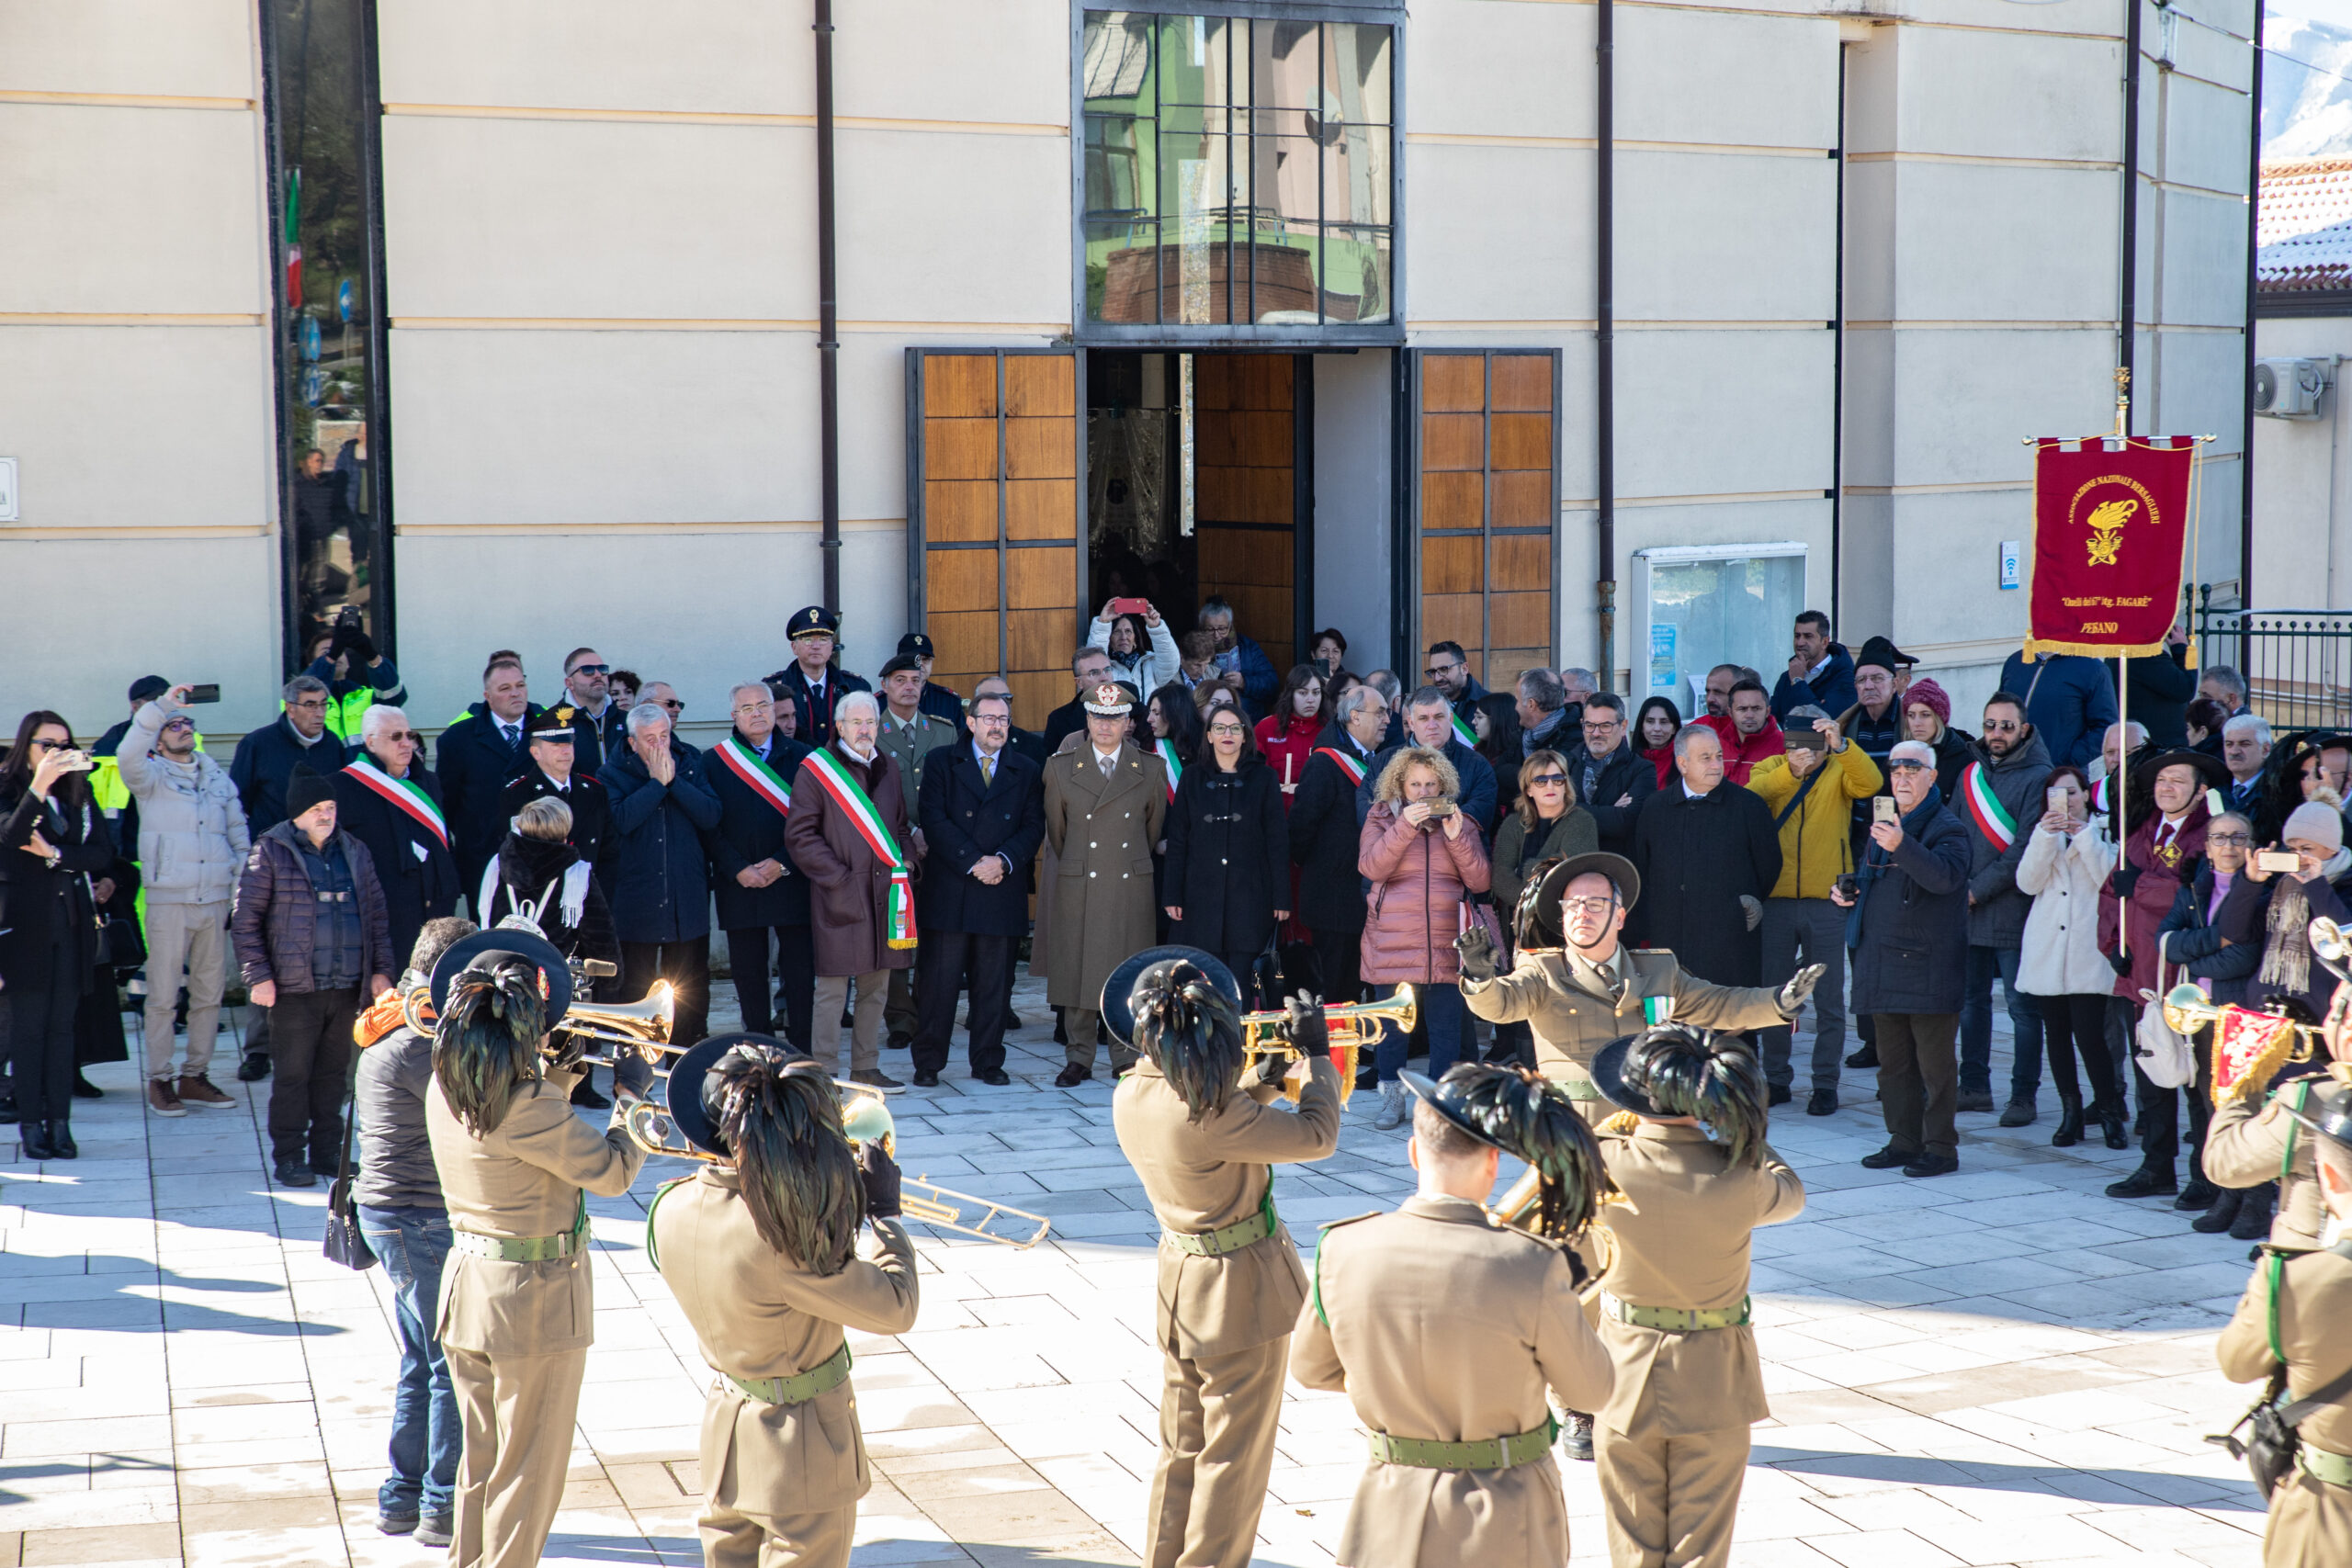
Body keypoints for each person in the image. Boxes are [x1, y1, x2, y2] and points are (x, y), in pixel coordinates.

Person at [1292, 1063, 1616, 1568]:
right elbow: (1592, 1392)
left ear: (1414, 1151)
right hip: (1506, 1512)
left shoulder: (1342, 1246)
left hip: (1389, 1504)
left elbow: (1312, 1370)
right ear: (1493, 1162)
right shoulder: (1530, 1263)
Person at [647, 1039, 919, 1568]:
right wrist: (885, 1214)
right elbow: (895, 1307)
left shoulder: (670, 1206)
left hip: (726, 1433)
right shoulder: (783, 1242)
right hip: (801, 1449)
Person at [1109, 956, 1341, 1568]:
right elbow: (1319, 1135)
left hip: (1181, 1286)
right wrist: (1317, 1058)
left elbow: (1218, 1114)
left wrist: (1261, 1078)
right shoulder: (1211, 1117)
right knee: (1233, 1460)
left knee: (1182, 1448)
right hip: (1239, 1294)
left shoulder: (1131, 1092)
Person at [424, 937, 646, 1568]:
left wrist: (558, 1072)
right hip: (532, 1305)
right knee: (527, 1479)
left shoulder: (445, 1086)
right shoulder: (527, 1106)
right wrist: (633, 1099)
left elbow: (522, 1118)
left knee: (482, 1465)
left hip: (470, 1292)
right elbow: (612, 1170)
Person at [1585, 1024, 1805, 1568]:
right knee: (1701, 1550)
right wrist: (1744, 1129)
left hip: (1622, 1368)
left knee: (1632, 1545)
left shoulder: (1599, 1160)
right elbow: (1792, 1191)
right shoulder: (1743, 1175)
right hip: (1713, 1377)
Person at [1457, 852, 1820, 1122]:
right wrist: (1479, 977)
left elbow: (1718, 1003)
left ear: (1619, 916)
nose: (1582, 913)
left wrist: (1778, 1000)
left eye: (1595, 904)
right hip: (1572, 1127)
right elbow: (1500, 1004)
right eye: (1572, 905)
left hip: (1648, 1122)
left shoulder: (1659, 968)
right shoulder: (1541, 971)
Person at [352, 915, 478, 1548]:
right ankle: (439, 1505)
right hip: (418, 1217)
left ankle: (401, 1498)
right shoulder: (418, 1041)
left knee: (419, 1360)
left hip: (393, 1215)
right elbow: (479, 1111)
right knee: (450, 1364)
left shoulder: (394, 1015)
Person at [232, 764, 394, 1188]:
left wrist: (381, 971)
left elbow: (377, 915)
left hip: (346, 989)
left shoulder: (356, 850)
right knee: (292, 1076)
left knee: (334, 1076)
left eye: (331, 807)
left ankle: (326, 1154)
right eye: (317, 808)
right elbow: (245, 920)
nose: (326, 815)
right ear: (297, 813)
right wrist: (258, 976)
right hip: (293, 990)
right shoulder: (270, 851)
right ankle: (289, 1156)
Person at [2213, 1080, 2352, 1568]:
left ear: (2329, 1179)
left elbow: (2237, 1362)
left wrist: (2236, 1089)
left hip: (2331, 1514)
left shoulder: (2297, 1280)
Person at [1833, 739, 1972, 1177]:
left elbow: (1944, 878)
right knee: (1893, 1066)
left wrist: (1901, 845)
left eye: (1913, 770)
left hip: (1928, 963)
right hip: (1882, 958)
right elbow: (1876, 878)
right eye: (1896, 771)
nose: (1903, 778)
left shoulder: (1949, 827)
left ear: (1932, 777)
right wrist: (1849, 889)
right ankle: (1903, 1140)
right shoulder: (1886, 824)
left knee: (1935, 1067)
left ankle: (1941, 1148)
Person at [114, 683, 249, 1115]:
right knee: (163, 994)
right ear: (158, 735)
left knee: (209, 994)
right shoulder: (149, 776)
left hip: (212, 899)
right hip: (169, 899)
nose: (182, 728)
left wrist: (238, 889)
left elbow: (238, 834)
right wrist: (163, 705)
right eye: (173, 725)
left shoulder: (215, 775)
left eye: (186, 722)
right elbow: (126, 754)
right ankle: (159, 1078)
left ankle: (195, 1074)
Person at [2100, 748, 2227, 1199]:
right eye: (2160, 780)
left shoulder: (2209, 837)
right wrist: (2112, 945)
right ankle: (2156, 1166)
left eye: (2177, 780)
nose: (2166, 788)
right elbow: (2112, 892)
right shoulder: (2140, 833)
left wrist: (2143, 887)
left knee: (2196, 1078)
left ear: (2199, 791)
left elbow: (2195, 894)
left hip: (2185, 977)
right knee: (2152, 1070)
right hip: (2141, 974)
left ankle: (2205, 1175)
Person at [1746, 708, 1880, 1115]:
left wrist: (1842, 745)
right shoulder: (1772, 766)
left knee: (1828, 999)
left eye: (1814, 740)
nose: (1805, 750)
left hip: (1826, 899)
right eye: (1797, 741)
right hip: (1777, 899)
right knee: (1775, 997)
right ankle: (1776, 1079)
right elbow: (1755, 796)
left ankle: (1825, 1083)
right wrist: (1792, 771)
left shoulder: (1840, 767)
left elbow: (1871, 783)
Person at [785, 691, 916, 1092]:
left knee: (876, 987)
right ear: (839, 726)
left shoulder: (888, 766)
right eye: (856, 722)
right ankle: (822, 1072)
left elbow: (900, 826)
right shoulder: (816, 770)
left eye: (871, 722)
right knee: (832, 989)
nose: (865, 730)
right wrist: (839, 879)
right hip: (839, 895)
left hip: (886, 896)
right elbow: (800, 836)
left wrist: (908, 861)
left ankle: (866, 1067)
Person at [910, 689, 1042, 1087]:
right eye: (989, 719)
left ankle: (988, 1062)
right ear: (970, 723)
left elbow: (1034, 826)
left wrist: (1001, 861)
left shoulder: (1027, 768)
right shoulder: (941, 762)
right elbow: (933, 819)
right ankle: (928, 1063)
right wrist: (973, 862)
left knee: (993, 987)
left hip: (1001, 888)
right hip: (951, 887)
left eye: (1003, 719)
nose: (997, 726)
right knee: (938, 986)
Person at [1042, 682, 1170, 1085]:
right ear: (1087, 719)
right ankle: (1078, 1057)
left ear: (1128, 722)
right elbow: (1058, 834)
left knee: (1127, 971)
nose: (1105, 725)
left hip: (1129, 880)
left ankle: (1126, 1055)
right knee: (1078, 967)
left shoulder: (1150, 769)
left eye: (1114, 718)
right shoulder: (1061, 767)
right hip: (1081, 878)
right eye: (1098, 716)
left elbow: (1151, 831)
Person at [1360, 746, 1494, 1128]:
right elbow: (1370, 866)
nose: (1423, 791)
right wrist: (1404, 826)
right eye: (1415, 783)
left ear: (1444, 786)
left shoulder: (1459, 821)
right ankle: (1391, 1099)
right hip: (1392, 938)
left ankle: (1439, 1102)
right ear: (1400, 784)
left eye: (1431, 784)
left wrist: (1456, 837)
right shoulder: (1382, 816)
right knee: (1391, 1026)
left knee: (1446, 1027)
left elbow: (1480, 880)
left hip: (1446, 938)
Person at [1, 716, 114, 1161]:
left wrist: (57, 856)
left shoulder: (78, 792)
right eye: (48, 744)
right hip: (23, 931)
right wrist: (39, 786)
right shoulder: (9, 788)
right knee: (29, 1031)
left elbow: (102, 853)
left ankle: (60, 1124)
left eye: (65, 744)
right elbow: (10, 838)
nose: (58, 752)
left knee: (62, 1029)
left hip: (70, 926)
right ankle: (31, 1125)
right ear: (25, 744)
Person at [2154, 807, 2272, 1233]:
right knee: (2213, 1108)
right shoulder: (2193, 889)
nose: (2229, 846)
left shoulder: (2262, 890)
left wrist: (2196, 949)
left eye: (2238, 838)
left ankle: (2257, 1201)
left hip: (2242, 1013)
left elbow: (2243, 956)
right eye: (2220, 838)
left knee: (2248, 1109)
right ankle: (2227, 1196)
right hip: (2202, 1014)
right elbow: (2165, 940)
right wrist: (2211, 942)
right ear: (2206, 848)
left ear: (2251, 844)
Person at [600, 701, 723, 1090]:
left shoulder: (690, 761)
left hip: (685, 895)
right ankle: (634, 1068)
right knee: (636, 986)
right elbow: (620, 821)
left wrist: (674, 782)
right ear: (632, 741)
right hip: (637, 897)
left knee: (689, 983)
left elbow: (711, 814)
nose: (659, 746)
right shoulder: (612, 772)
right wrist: (655, 785)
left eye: (664, 737)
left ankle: (685, 1064)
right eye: (649, 740)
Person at [2018, 767, 2132, 1153]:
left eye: (2071, 793)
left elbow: (2109, 881)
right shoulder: (2043, 834)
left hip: (2086, 947)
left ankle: (2111, 1111)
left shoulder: (2104, 832)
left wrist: (2083, 836)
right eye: (2056, 794)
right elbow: (2027, 883)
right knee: (2057, 1037)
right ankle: (2070, 1112)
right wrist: (2045, 837)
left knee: (2091, 1035)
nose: (2064, 801)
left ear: (2086, 794)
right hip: (2047, 947)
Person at [1953, 692, 2053, 1123]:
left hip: (2014, 910)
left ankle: (2023, 1096)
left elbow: (2025, 848)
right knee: (1970, 1003)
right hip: (1967, 909)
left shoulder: (2040, 777)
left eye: (2006, 726)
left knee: (2021, 1008)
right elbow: (1953, 832)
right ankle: (1973, 1086)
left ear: (2024, 729)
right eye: (1990, 724)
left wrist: (1975, 891)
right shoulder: (1969, 773)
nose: (1996, 733)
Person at [2203, 961, 2346, 1253]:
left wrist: (2245, 1072)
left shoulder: (2309, 1100)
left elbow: (2223, 1163)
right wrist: (2326, 1054)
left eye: (2334, 1012)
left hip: (2319, 1274)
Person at [706, 682, 818, 1051]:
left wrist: (782, 863)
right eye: (746, 708)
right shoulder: (714, 761)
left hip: (792, 878)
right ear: (734, 716)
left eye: (762, 706)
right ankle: (758, 1047)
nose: (756, 713)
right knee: (749, 974)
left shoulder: (806, 758)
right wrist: (737, 867)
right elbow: (709, 826)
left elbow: (816, 822)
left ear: (775, 710)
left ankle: (800, 1050)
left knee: (800, 972)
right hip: (739, 881)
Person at [1631, 726, 1782, 997]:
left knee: (1733, 1025)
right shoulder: (1656, 808)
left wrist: (1741, 904)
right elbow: (1644, 866)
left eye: (1718, 755)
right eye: (1705, 758)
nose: (1716, 764)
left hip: (1729, 941)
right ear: (1682, 763)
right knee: (1676, 1026)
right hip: (1671, 941)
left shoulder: (1749, 806)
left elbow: (1769, 864)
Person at [1165, 703, 1289, 985]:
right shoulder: (1192, 777)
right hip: (1199, 899)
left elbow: (1277, 841)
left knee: (1243, 984)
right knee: (1205, 985)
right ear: (1209, 735)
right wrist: (1172, 895)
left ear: (1246, 735)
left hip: (1251, 898)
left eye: (1235, 728)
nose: (1227, 734)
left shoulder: (1264, 777)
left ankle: (1240, 1030)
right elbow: (1178, 840)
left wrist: (1281, 898)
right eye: (1219, 728)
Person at [334, 705, 460, 981]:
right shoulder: (345, 786)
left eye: (409, 734)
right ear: (370, 742)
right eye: (395, 736)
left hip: (435, 910)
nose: (407, 743)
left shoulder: (427, 781)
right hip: (386, 916)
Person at [1288, 682, 1387, 1011]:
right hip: (1332, 897)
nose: (1388, 719)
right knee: (1333, 986)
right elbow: (1301, 826)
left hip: (1363, 896)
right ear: (1354, 717)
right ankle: (1330, 1052)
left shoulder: (1376, 759)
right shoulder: (1325, 762)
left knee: (1356, 982)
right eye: (1381, 712)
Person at [435, 657, 543, 912]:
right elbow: (447, 804)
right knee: (491, 944)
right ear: (488, 696)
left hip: (541, 857)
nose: (515, 693)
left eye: (520, 685)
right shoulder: (457, 739)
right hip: (484, 861)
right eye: (505, 688)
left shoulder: (549, 730)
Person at [480, 798, 620, 976]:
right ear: (565, 833)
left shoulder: (497, 864)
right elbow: (600, 935)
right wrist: (612, 981)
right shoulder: (577, 873)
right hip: (550, 979)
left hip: (497, 970)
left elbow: (485, 917)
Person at [1360, 687, 1498, 839]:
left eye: (1438, 717)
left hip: (1456, 857)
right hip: (1398, 855)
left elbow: (1479, 815)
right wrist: (1406, 828)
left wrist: (1426, 829)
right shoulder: (1382, 761)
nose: (1432, 725)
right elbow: (1366, 810)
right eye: (1424, 718)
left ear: (1451, 718)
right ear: (1411, 723)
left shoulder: (1478, 765)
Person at [500, 707, 613, 885]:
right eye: (556, 745)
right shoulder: (518, 795)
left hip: (590, 895)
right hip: (544, 898)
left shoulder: (594, 790)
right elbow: (517, 857)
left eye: (568, 743)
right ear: (536, 753)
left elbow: (609, 852)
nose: (566, 751)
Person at [231, 674, 345, 832]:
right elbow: (237, 802)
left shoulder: (333, 744)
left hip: (322, 846)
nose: (320, 713)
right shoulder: (257, 743)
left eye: (324, 704)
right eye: (311, 705)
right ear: (290, 709)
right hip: (273, 846)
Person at [763, 606, 871, 754]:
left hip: (843, 772)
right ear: (794, 647)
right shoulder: (771, 689)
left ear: (831, 646)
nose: (816, 646)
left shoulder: (855, 687)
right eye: (807, 640)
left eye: (823, 639)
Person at [1562, 694, 1657, 859]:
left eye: (1605, 726)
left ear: (1623, 726)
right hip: (1569, 865)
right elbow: (1550, 814)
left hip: (1616, 868)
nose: (1596, 733)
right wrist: (1611, 811)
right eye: (1590, 725)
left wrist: (1569, 809)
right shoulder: (1565, 764)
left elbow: (1624, 823)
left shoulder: (1642, 770)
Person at [1995, 648, 2117, 770]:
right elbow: (1998, 710)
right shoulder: (2016, 661)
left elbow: (2107, 727)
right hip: (2009, 772)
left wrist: (2066, 760)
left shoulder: (2091, 668)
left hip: (2058, 775)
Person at [2121, 619, 2199, 749]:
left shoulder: (2122, 653)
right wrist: (2183, 649)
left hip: (2148, 744)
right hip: (2160, 748)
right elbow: (2186, 688)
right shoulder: (2146, 655)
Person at [1769, 610, 1857, 723]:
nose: (1800, 643)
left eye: (1808, 636)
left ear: (1824, 642)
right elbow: (1773, 721)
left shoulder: (1845, 678)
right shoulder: (1786, 677)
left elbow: (1824, 721)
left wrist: (1798, 682)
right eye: (1797, 636)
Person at [1255, 663, 1326, 801]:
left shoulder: (1329, 729)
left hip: (1316, 812)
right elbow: (1255, 777)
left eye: (1316, 692)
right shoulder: (1266, 728)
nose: (1311, 699)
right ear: (1290, 694)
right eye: (1303, 693)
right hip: (1275, 810)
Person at [1199, 595, 1280, 716]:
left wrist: (1244, 683)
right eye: (1210, 630)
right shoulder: (1195, 649)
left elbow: (1272, 685)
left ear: (1230, 625)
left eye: (1222, 629)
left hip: (1247, 719)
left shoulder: (1248, 647)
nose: (1216, 635)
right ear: (1202, 627)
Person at [1697, 678, 1785, 787]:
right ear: (1730, 712)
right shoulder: (1715, 745)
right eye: (1742, 709)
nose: (1749, 715)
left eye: (1756, 708)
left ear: (1767, 711)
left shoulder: (1785, 747)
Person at [556, 647, 628, 773]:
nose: (598, 675)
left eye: (602, 669)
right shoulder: (553, 724)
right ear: (569, 683)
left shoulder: (627, 720)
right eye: (588, 670)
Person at [1091, 598, 1182, 696]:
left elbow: (1170, 664)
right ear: (1109, 639)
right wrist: (1103, 623)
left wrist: (1157, 628)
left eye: (1128, 631)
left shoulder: (1150, 664)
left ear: (1135, 639)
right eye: (1117, 632)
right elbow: (1092, 664)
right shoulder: (1105, 668)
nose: (1123, 637)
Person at [894, 631, 972, 734]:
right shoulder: (882, 702)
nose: (920, 664)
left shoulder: (949, 701)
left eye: (925, 659)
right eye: (914, 659)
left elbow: (961, 742)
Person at [1044, 646, 1116, 756]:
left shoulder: (1134, 710)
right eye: (1094, 673)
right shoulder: (1059, 720)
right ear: (1079, 682)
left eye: (1107, 670)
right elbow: (1052, 768)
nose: (1104, 678)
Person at [1472, 693, 1526, 821]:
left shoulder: (1521, 755)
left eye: (1479, 717)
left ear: (1497, 719)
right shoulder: (1475, 753)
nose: (1473, 722)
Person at [1424, 640, 1487, 735]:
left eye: (1444, 669)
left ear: (1464, 669)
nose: (1437, 678)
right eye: (1433, 672)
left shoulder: (1490, 706)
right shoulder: (1426, 706)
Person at [1514, 668, 1576, 760]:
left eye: (1517, 700)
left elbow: (1545, 772)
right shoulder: (1522, 733)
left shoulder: (1573, 739)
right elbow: (1500, 768)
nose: (1515, 707)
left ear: (1531, 704)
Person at [2222, 713, 2273, 816]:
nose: (2234, 751)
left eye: (2244, 744)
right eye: (2229, 744)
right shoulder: (2215, 791)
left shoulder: (2276, 793)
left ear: (2265, 750)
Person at [1633, 696, 1680, 788]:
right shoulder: (1629, 762)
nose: (1657, 728)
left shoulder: (1685, 761)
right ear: (1642, 727)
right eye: (1650, 721)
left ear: (1674, 728)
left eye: (1664, 722)